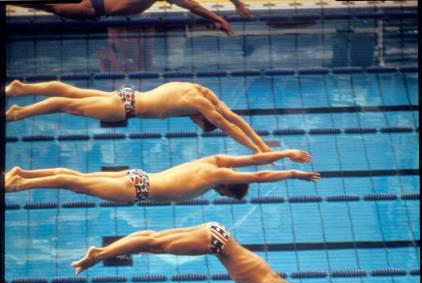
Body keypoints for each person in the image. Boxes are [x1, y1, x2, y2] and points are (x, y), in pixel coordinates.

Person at [72, 218, 348, 283]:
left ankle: (103, 253)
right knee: (155, 243)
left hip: (216, 238)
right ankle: (100, 255)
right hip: (215, 242)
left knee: (154, 243)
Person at [6, 79, 272, 153]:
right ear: (206, 119)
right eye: (200, 123)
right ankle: (21, 112)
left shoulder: (202, 92)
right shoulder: (199, 104)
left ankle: (23, 89)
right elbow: (228, 126)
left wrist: (261, 144)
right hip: (126, 108)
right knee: (67, 104)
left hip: (128, 96)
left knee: (73, 93)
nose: (193, 121)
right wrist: (256, 151)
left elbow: (235, 118)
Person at [5, 150, 319, 205]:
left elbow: (253, 158)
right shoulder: (216, 174)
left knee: (75, 177)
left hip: (139, 176)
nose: (218, 193)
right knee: (74, 184)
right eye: (222, 193)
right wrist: (294, 172)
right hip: (137, 190)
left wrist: (287, 152)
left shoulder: (214, 160)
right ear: (226, 185)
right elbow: (259, 173)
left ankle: (23, 173)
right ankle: (20, 184)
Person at [10, 1, 250, 35]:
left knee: (43, 5)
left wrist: (237, 3)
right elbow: (191, 5)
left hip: (92, 6)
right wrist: (218, 17)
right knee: (45, 5)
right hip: (89, 8)